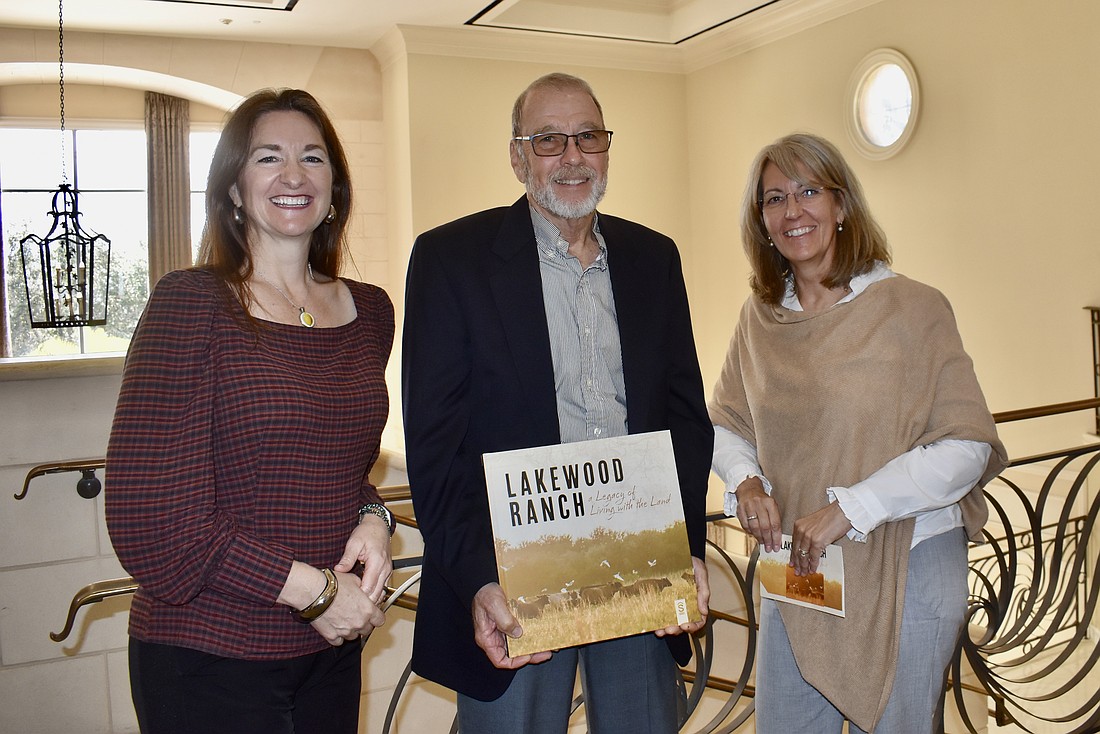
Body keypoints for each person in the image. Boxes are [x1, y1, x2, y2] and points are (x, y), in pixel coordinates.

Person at [402, 72, 714, 733]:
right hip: (515, 580)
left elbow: (685, 417)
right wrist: (479, 580)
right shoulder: (450, 260)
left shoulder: (653, 259)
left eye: (588, 137)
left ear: (606, 148)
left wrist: (684, 546)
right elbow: (436, 450)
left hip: (640, 565)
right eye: (548, 139)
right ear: (517, 157)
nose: (572, 157)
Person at [105, 88, 395, 734]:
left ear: (334, 188)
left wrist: (374, 519)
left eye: (312, 158)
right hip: (207, 654)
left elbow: (337, 467)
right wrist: (315, 592)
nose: (293, 175)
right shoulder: (192, 304)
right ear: (234, 189)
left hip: (329, 649)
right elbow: (151, 522)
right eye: (269, 158)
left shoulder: (370, 312)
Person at [708, 132, 1007, 733]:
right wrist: (745, 483)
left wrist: (851, 508)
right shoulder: (760, 318)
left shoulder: (913, 309)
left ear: (842, 205)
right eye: (773, 199)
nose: (792, 211)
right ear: (760, 220)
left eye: (809, 191)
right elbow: (725, 422)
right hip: (802, 566)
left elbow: (966, 446)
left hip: (908, 560)